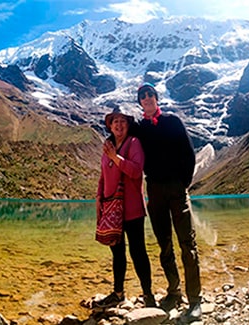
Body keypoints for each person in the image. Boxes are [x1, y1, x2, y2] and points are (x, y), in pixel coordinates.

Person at [133, 82, 202, 322]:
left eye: (150, 94)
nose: (147, 98)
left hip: (176, 188)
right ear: (140, 102)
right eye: (143, 96)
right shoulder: (140, 128)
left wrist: (183, 183)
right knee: (164, 245)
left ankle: (195, 300)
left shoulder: (173, 121)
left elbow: (188, 153)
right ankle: (174, 291)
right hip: (154, 190)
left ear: (156, 98)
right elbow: (119, 132)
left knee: (187, 244)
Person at [94, 107, 155, 308]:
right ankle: (118, 293)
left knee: (138, 252)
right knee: (117, 253)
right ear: (110, 126)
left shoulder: (134, 143)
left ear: (128, 125)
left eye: (123, 121)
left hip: (132, 210)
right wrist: (99, 199)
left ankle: (148, 295)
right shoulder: (108, 146)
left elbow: (137, 171)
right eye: (115, 122)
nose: (119, 125)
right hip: (111, 209)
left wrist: (115, 158)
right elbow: (103, 176)